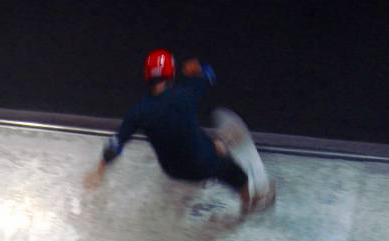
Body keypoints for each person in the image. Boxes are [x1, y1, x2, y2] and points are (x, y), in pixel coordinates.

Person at [85, 49, 273, 218]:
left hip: (172, 171)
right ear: (172, 74)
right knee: (231, 169)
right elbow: (209, 74)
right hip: (201, 166)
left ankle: (216, 149)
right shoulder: (187, 92)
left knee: (194, 135)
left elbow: (116, 144)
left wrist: (99, 171)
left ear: (147, 76)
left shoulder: (137, 112)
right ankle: (250, 203)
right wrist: (198, 67)